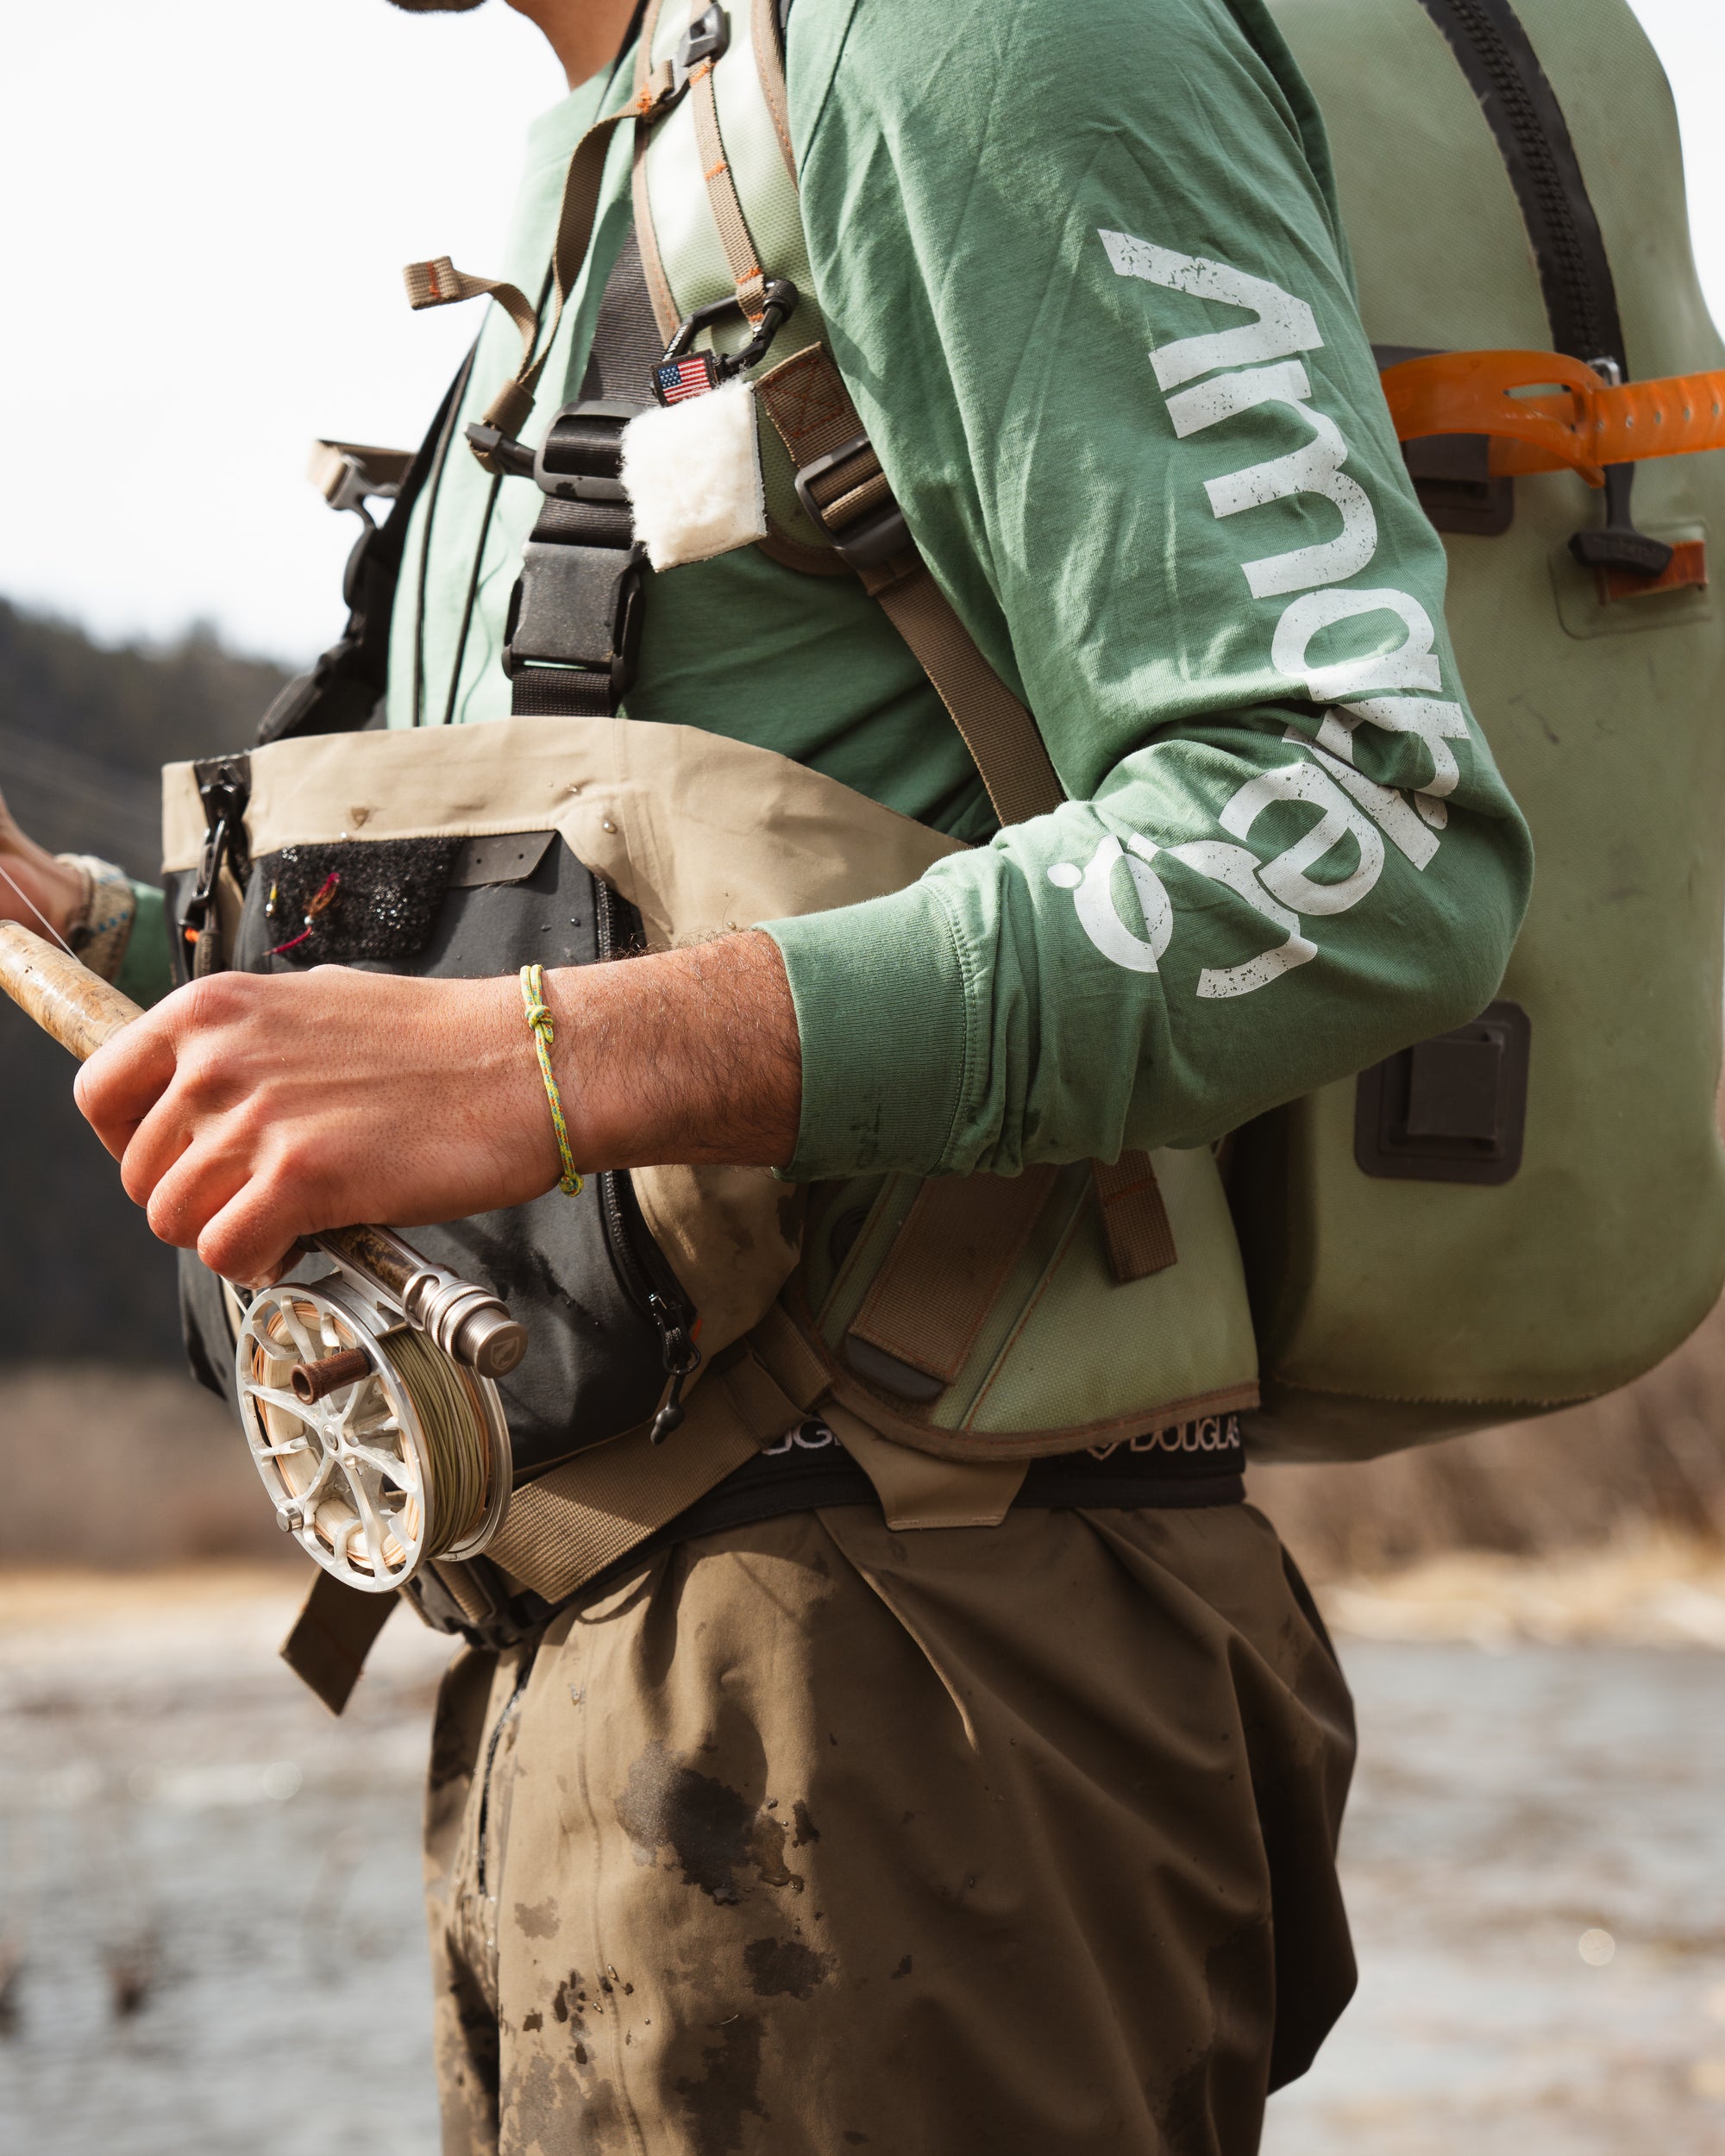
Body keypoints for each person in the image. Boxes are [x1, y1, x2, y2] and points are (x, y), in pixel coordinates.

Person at [0, 0, 1533, 2146]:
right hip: (596, 1672)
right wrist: (102, 938)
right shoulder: (606, 164)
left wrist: (545, 1060)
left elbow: (1356, 833)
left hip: (917, 1658)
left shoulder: (982, 42)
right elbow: (561, 920)